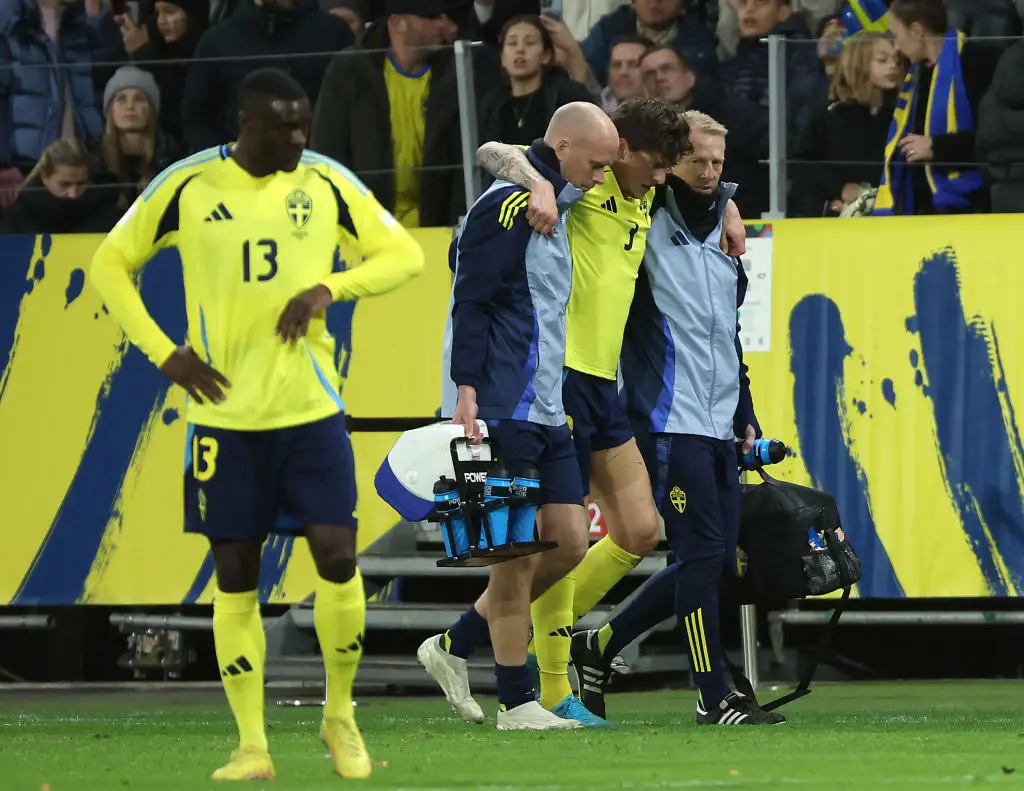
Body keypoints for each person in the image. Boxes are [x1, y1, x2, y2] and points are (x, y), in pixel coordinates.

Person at [88, 68, 424, 780]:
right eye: (287, 128)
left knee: (337, 556)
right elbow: (109, 262)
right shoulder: (186, 186)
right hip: (223, 418)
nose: (301, 139)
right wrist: (164, 353)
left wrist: (330, 285)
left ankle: (341, 717)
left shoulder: (326, 181)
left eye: (304, 125)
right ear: (248, 125)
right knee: (235, 574)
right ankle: (251, 743)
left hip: (311, 410)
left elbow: (406, 254)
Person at [424, 98, 719, 728]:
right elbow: (497, 154)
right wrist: (536, 181)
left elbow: (705, 181)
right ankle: (547, 687)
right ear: (619, 153)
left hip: (599, 383)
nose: (663, 177)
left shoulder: (649, 191)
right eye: (655, 164)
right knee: (540, 540)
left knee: (636, 530)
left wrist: (732, 207)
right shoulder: (588, 181)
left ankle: (463, 641)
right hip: (549, 378)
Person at [571, 110, 784, 727]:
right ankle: (712, 694)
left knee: (713, 562)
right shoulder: (646, 212)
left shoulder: (724, 236)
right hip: (666, 421)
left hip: (718, 423)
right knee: (698, 557)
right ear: (669, 162)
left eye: (719, 164)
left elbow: (730, 339)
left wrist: (747, 415)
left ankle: (599, 646)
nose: (710, 175)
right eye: (696, 163)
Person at [438, 102, 621, 731]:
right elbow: (473, 300)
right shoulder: (506, 207)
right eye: (595, 165)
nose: (601, 178)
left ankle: (453, 643)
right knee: (514, 557)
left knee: (569, 541)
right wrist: (466, 389)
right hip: (503, 403)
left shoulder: (554, 196)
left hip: (548, 404)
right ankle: (517, 703)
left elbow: (502, 149)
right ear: (564, 146)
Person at [873, 0, 1002, 216]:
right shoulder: (916, 75)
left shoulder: (979, 61)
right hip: (923, 211)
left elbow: (995, 140)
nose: (896, 47)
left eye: (896, 36)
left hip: (973, 209)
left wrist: (937, 147)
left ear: (917, 31)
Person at [789, 31, 900, 218]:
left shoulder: (898, 114)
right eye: (882, 60)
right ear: (858, 65)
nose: (893, 66)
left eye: (895, 60)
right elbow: (802, 164)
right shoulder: (830, 115)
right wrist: (840, 188)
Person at [0, 139, 123, 235]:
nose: (73, 194)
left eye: (81, 184)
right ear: (44, 177)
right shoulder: (17, 219)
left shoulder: (110, 215)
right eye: (64, 185)